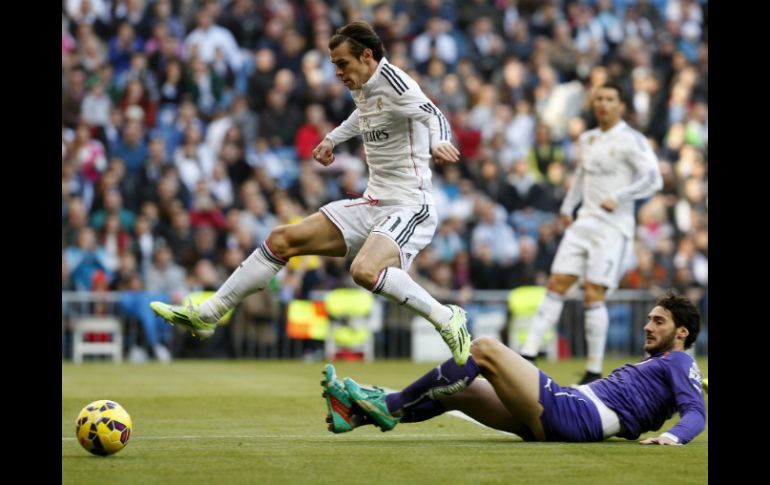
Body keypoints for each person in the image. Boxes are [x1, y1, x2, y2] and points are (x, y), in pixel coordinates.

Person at [150, 21, 471, 365]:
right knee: (282, 239)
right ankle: (209, 313)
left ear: (366, 55)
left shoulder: (396, 82)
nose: (337, 72)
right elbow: (363, 115)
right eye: (333, 65)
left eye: (342, 63)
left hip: (410, 206)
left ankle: (446, 318)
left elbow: (433, 113)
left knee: (364, 270)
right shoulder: (363, 85)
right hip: (373, 203)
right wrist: (333, 138)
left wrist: (440, 141)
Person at [322, 292, 706, 445]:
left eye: (658, 321)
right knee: (464, 393)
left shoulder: (680, 361)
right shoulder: (665, 366)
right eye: (650, 319)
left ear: (681, 332)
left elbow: (696, 413)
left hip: (577, 413)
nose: (647, 325)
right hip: (574, 413)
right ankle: (356, 416)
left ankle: (387, 407)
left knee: (484, 349)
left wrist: (672, 439)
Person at [520, 83, 663, 384]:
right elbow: (581, 178)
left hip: (612, 228)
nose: (603, 104)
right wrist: (567, 207)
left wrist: (621, 196)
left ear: (620, 105)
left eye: (610, 99)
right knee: (556, 282)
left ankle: (594, 369)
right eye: (598, 98)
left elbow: (654, 178)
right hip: (584, 222)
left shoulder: (631, 140)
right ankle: (528, 354)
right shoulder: (587, 138)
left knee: (593, 293)